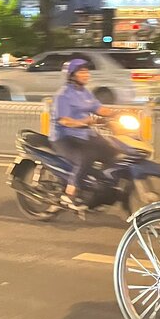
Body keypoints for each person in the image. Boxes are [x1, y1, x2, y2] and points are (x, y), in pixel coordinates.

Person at [50, 59, 118, 211]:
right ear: (72, 75)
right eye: (82, 72)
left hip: (84, 135)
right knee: (85, 158)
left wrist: (117, 114)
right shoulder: (63, 95)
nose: (86, 74)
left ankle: (99, 192)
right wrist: (85, 121)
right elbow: (64, 121)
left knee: (112, 151)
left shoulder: (85, 92)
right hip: (64, 138)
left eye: (87, 71)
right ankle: (69, 194)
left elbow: (98, 108)